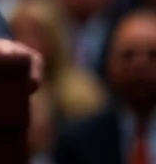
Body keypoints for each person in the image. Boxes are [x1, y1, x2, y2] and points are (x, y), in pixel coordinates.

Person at [53, 9, 156, 164]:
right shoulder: (77, 141)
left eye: (153, 55)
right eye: (128, 55)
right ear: (110, 64)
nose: (139, 65)